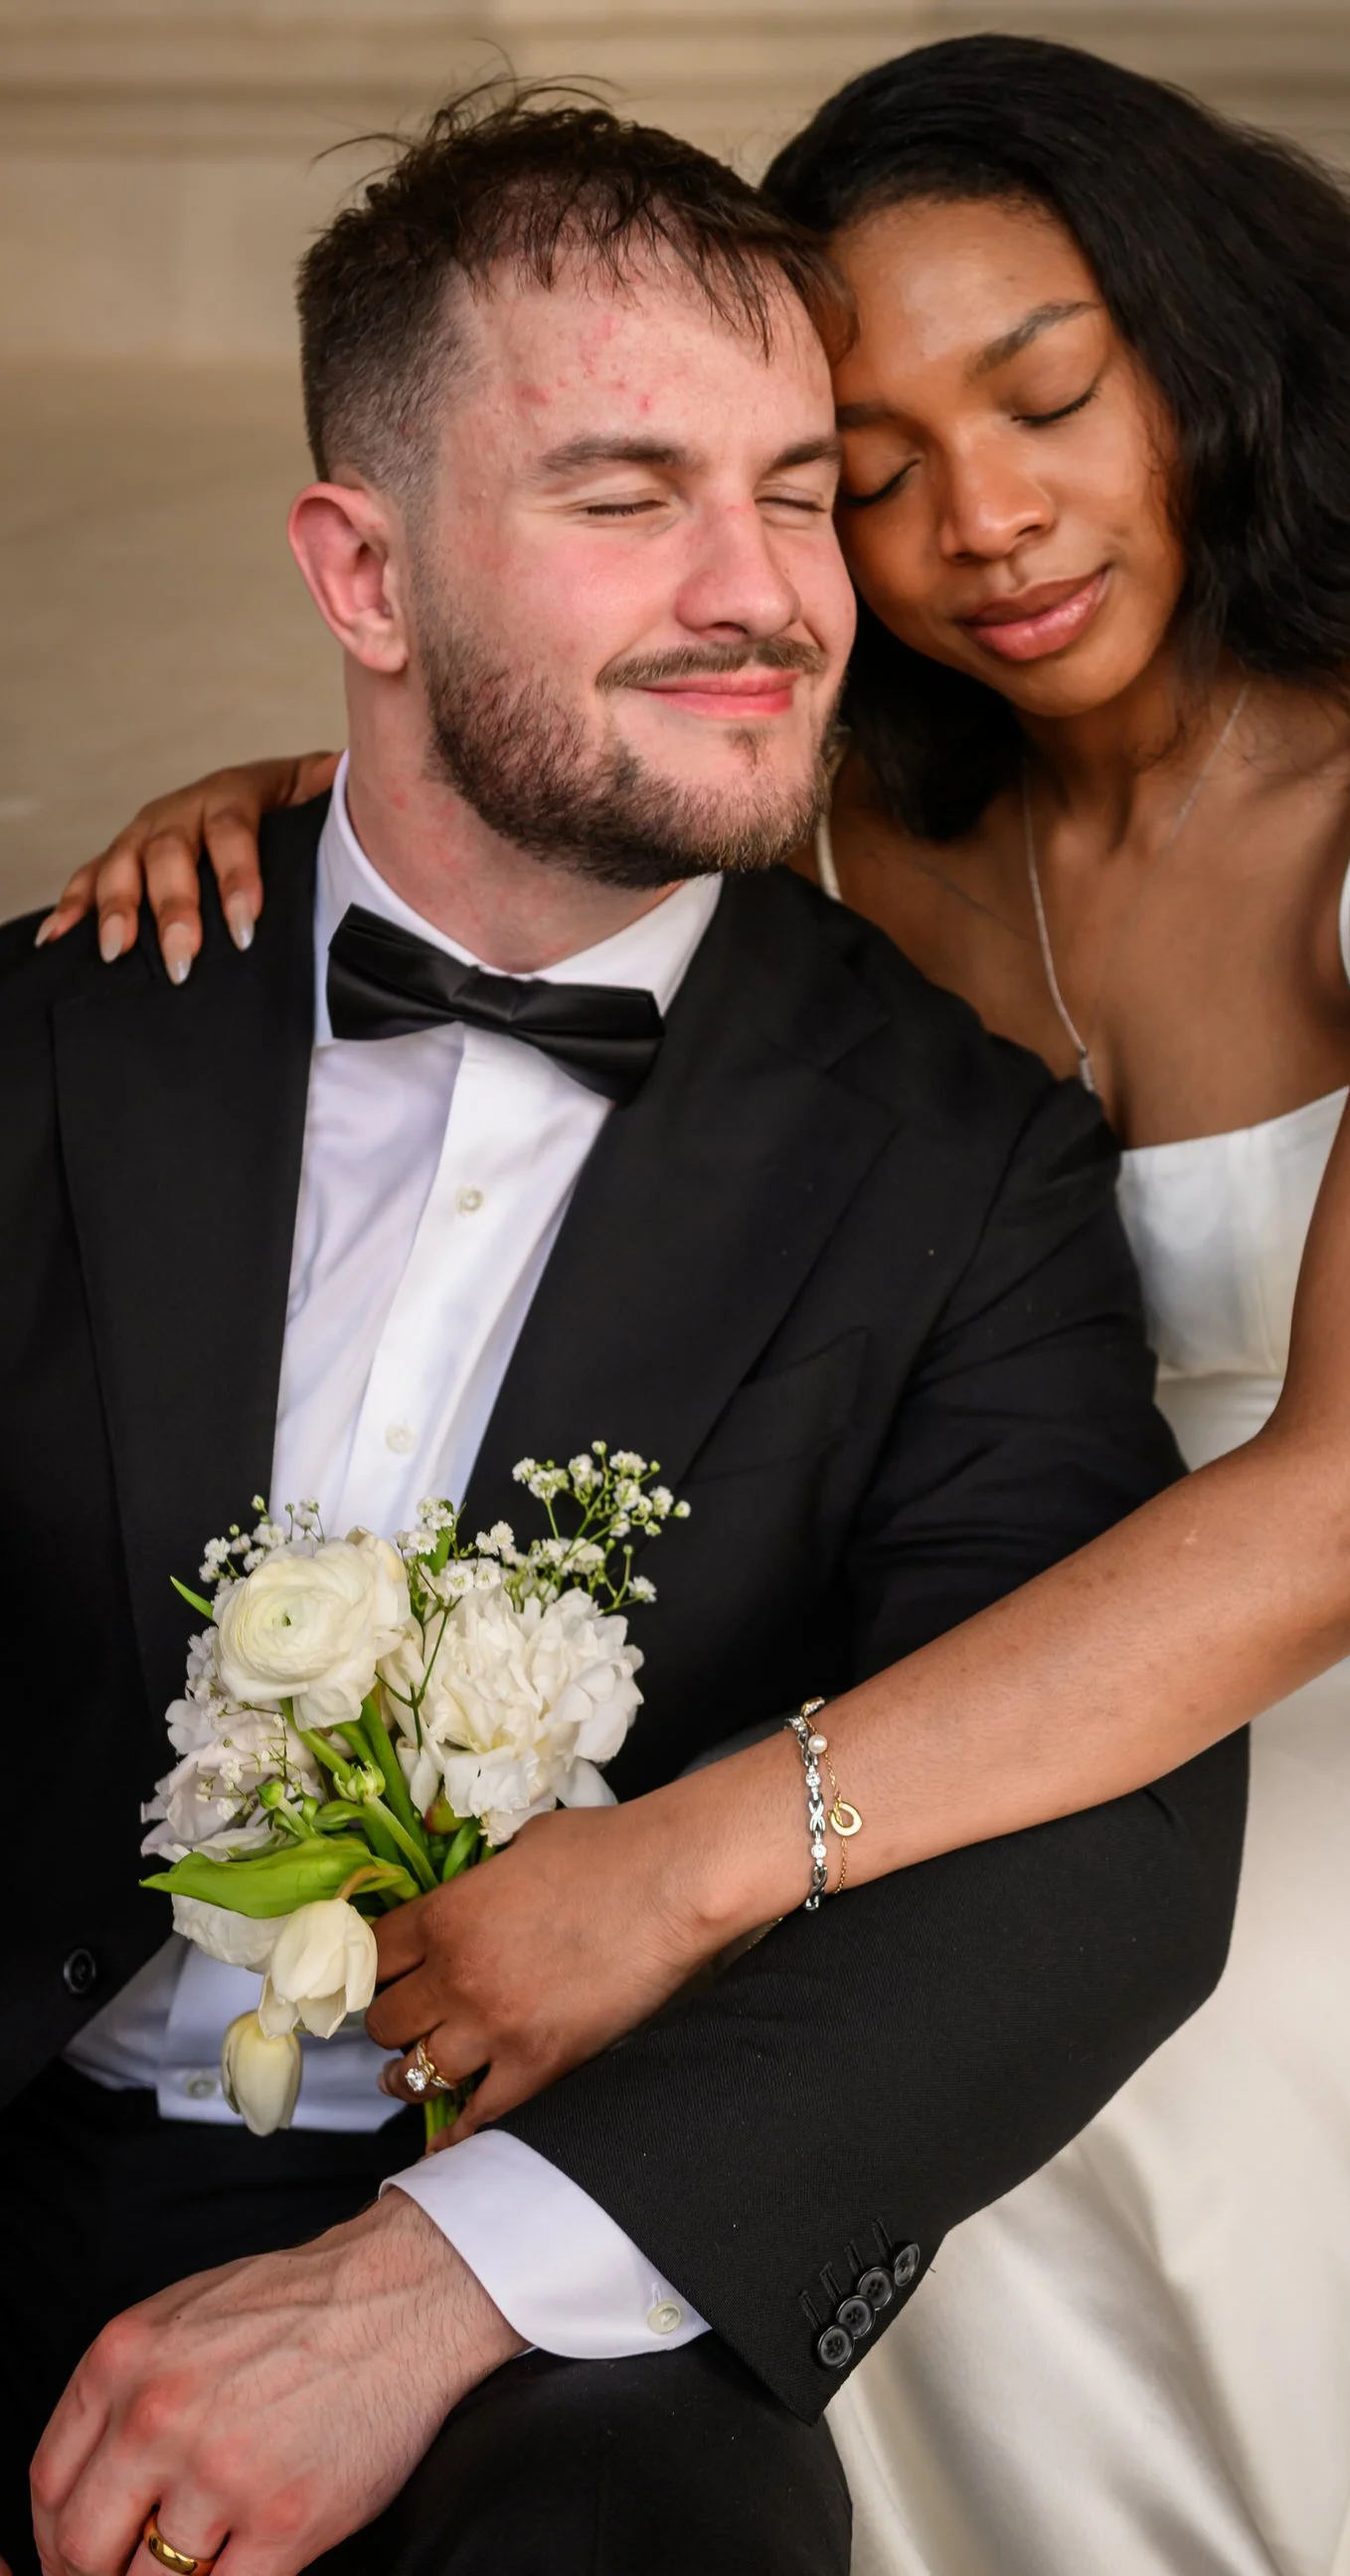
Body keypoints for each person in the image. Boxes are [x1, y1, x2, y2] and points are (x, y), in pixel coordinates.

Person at [50, 34, 1350, 2575]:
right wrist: (303, 798)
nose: (985, 526)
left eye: (1047, 398)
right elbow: (569, 763)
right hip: (1041, 1606)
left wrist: (706, 1860)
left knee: (1009, 2116)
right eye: (884, 469)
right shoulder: (864, 810)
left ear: (1195, 363)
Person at [0, 89, 1251, 2576]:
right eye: (622, 494)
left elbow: (1105, 1841)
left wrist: (449, 2283)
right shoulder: (61, 1032)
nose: (762, 589)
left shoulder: (964, 1162)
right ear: (363, 574)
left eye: (797, 490)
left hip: (534, 2280)